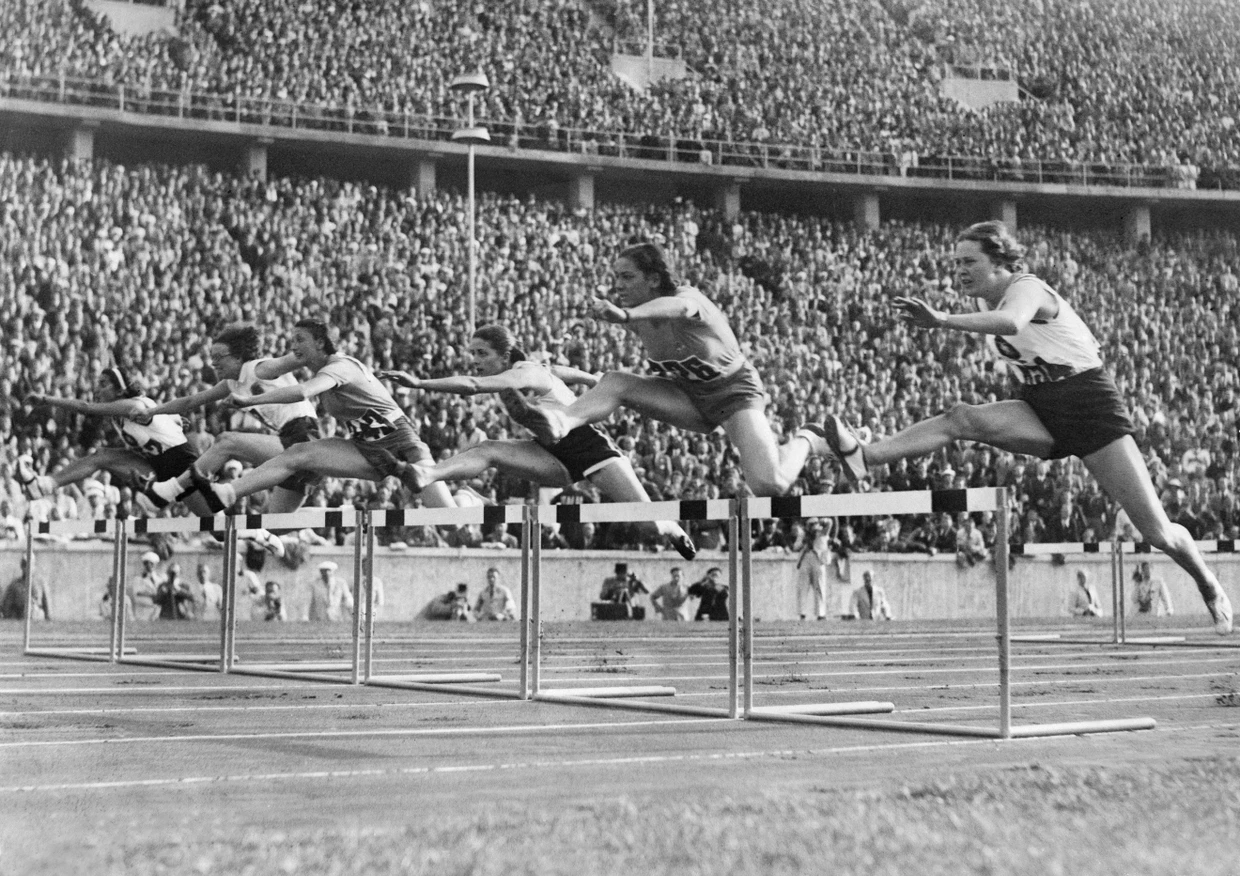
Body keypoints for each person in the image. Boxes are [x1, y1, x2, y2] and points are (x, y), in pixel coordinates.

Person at [809, 221, 1232, 634]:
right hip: (1040, 403)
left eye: (968, 261)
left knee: (1157, 532)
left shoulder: (1026, 287)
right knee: (961, 417)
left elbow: (1012, 322)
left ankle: (1206, 581)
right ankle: (864, 456)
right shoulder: (980, 304)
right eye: (955, 262)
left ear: (998, 263)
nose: (958, 270)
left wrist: (940, 319)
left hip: (1088, 405)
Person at [514, 242, 816, 497]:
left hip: (734, 395)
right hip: (688, 399)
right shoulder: (635, 318)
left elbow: (680, 309)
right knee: (615, 381)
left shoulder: (687, 298)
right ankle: (561, 422)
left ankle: (810, 437)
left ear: (654, 279)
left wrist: (625, 315)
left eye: (628, 277)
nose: (618, 285)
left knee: (769, 483)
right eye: (616, 277)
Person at [378, 323, 695, 560]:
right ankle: (429, 474)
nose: (475, 359)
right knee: (488, 448)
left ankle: (673, 528)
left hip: (589, 448)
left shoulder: (522, 373)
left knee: (649, 525)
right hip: (550, 455)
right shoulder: (531, 371)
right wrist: (587, 378)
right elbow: (555, 370)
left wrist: (420, 382)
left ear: (504, 356)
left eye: (482, 353)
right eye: (472, 353)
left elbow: (473, 385)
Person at [190, 318, 456, 517]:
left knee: (450, 520)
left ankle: (467, 500)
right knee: (298, 454)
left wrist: (250, 400)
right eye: (292, 340)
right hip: (364, 446)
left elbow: (303, 391)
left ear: (319, 342)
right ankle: (228, 492)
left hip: (401, 443)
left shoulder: (340, 367)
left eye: (300, 339)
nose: (294, 346)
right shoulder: (319, 369)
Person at [136, 323, 320, 524]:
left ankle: (167, 491)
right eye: (211, 357)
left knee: (226, 441)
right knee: (276, 524)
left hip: (303, 436)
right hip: (287, 440)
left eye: (219, 357)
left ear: (239, 357)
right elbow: (190, 401)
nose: (213, 363)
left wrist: (314, 346)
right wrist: (152, 412)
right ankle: (335, 513)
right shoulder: (232, 383)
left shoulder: (259, 368)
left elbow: (293, 360)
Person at [16, 366, 199, 504]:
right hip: (157, 466)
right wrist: (175, 419)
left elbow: (85, 407)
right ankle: (45, 485)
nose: (97, 389)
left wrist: (46, 399)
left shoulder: (129, 405)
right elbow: (166, 416)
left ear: (119, 390)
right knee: (101, 455)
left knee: (215, 527)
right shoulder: (122, 411)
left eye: (103, 384)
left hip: (180, 464)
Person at [795, 519, 830, 620]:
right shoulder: (802, 535)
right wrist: (803, 543)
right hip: (806, 559)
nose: (812, 527)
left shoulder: (822, 533)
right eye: (810, 525)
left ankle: (821, 613)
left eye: (814, 524)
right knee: (803, 587)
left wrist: (825, 521)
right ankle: (802, 613)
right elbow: (795, 546)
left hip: (818, 560)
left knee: (820, 587)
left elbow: (830, 524)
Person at [133, 550, 164, 621]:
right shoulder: (138, 579)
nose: (149, 566)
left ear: (156, 564)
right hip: (143, 612)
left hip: (157, 612)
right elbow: (137, 594)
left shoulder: (160, 578)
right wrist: (153, 595)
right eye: (146, 563)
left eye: (151, 563)